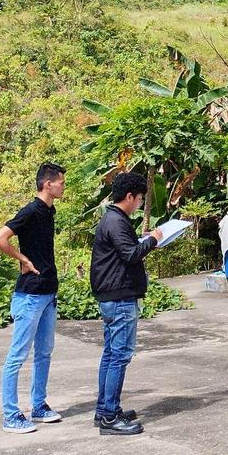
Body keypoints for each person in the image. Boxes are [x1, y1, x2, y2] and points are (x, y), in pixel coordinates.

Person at [0, 161, 66, 434]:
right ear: (48, 184)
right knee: (17, 355)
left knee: (44, 352)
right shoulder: (31, 211)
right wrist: (22, 259)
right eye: (61, 183)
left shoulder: (49, 211)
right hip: (30, 295)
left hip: (48, 293)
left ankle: (39, 406)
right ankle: (11, 415)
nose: (63, 187)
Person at [90, 171, 163, 436]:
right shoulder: (116, 221)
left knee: (111, 354)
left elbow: (126, 251)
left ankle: (105, 410)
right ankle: (110, 417)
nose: (141, 203)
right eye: (140, 198)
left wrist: (146, 241)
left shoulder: (113, 219)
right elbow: (131, 255)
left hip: (113, 295)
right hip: (119, 297)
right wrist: (153, 240)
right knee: (119, 356)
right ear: (129, 196)